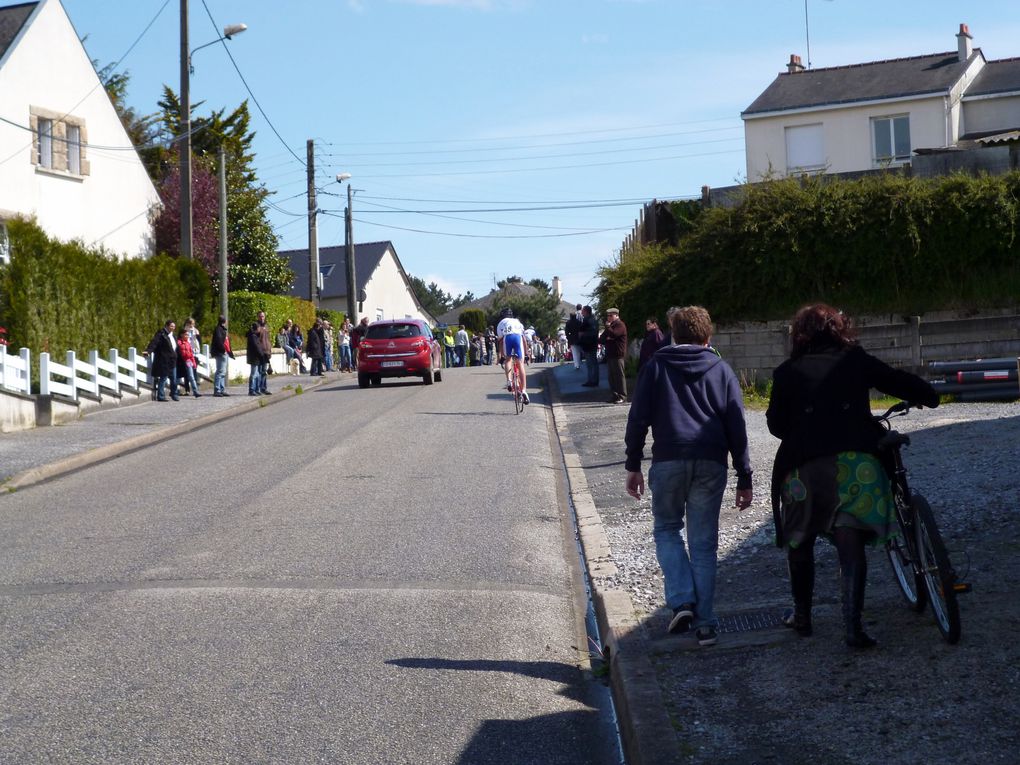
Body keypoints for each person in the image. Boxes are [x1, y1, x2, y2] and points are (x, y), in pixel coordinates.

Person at [766, 303, 939, 648]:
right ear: (839, 329)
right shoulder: (854, 360)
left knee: (800, 538)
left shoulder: (786, 372)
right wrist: (930, 396)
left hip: (803, 467)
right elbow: (897, 380)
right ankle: (853, 628)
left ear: (799, 334)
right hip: (856, 464)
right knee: (851, 539)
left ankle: (802, 618)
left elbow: (775, 425)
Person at [624, 305, 753, 647]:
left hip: (667, 459)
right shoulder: (721, 370)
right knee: (704, 544)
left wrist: (633, 464)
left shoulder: (655, 367)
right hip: (711, 462)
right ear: (708, 336)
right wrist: (744, 475)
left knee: (667, 529)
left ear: (673, 335)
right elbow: (736, 425)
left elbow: (638, 419)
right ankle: (706, 624)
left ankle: (682, 600)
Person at [496, 307, 530, 405]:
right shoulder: (517, 321)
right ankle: (524, 390)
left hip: (508, 338)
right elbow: (524, 340)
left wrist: (502, 356)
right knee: (520, 364)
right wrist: (527, 353)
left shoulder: (501, 323)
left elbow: (501, 342)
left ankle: (509, 380)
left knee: (508, 360)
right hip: (518, 337)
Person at [144, 319, 180, 402]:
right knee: (163, 378)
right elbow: (154, 343)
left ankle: (174, 394)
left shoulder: (173, 335)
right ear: (167, 326)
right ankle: (161, 396)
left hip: (173, 360)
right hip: (164, 360)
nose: (173, 328)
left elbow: (175, 347)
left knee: (174, 379)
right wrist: (148, 351)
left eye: (174, 326)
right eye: (171, 326)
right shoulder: (161, 334)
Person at [600, 308, 628, 404]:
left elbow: (614, 334)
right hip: (610, 354)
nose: (609, 318)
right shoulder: (611, 326)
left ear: (616, 315)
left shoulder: (620, 325)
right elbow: (602, 339)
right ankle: (614, 395)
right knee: (611, 377)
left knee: (619, 376)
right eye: (608, 316)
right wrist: (608, 336)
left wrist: (609, 331)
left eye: (611, 316)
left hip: (618, 354)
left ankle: (622, 396)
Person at [210, 314, 234, 396]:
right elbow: (219, 341)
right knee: (220, 372)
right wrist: (223, 350)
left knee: (223, 372)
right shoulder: (219, 329)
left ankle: (222, 389)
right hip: (221, 353)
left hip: (223, 353)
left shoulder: (220, 329)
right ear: (225, 321)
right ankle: (217, 390)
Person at [177, 327, 201, 397]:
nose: (187, 336)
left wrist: (193, 363)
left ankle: (195, 391)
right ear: (182, 335)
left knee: (191, 376)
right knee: (178, 378)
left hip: (188, 361)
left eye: (188, 335)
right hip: (180, 362)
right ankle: (174, 391)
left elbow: (191, 354)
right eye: (186, 335)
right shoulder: (178, 342)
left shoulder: (188, 343)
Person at [579, 305, 599, 387]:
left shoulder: (586, 320)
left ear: (586, 311)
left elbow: (581, 331)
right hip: (594, 344)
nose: (581, 312)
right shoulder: (594, 320)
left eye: (583, 311)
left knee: (590, 364)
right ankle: (595, 380)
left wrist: (582, 336)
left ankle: (591, 381)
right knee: (594, 363)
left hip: (588, 344)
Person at [256, 310, 272, 394]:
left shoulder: (266, 326)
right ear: (257, 317)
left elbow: (268, 340)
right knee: (259, 371)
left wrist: (270, 351)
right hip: (260, 352)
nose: (262, 318)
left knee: (264, 371)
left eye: (263, 316)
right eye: (260, 316)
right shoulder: (257, 326)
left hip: (266, 352)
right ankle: (258, 388)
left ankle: (264, 388)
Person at [246, 321, 263, 396]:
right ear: (257, 328)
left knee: (257, 374)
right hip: (254, 357)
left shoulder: (255, 336)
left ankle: (256, 389)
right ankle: (251, 390)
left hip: (256, 357)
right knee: (253, 374)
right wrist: (261, 354)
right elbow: (256, 347)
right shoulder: (253, 336)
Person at [565, 304, 583, 370]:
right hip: (578, 338)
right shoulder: (579, 322)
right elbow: (581, 330)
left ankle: (576, 365)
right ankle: (578, 362)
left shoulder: (568, 323)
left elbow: (566, 332)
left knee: (574, 352)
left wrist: (568, 337)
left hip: (572, 338)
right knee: (578, 351)